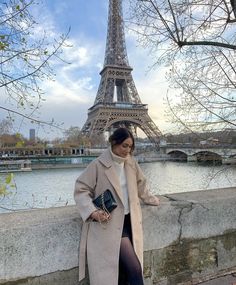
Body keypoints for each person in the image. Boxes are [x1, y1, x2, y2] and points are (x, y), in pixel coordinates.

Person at [74, 127, 160, 285]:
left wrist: (149, 198)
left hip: (130, 221)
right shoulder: (98, 165)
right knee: (134, 269)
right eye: (124, 146)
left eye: (130, 147)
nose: (128, 150)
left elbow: (141, 184)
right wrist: (93, 211)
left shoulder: (131, 163)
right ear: (114, 143)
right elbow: (81, 190)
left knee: (123, 274)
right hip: (111, 224)